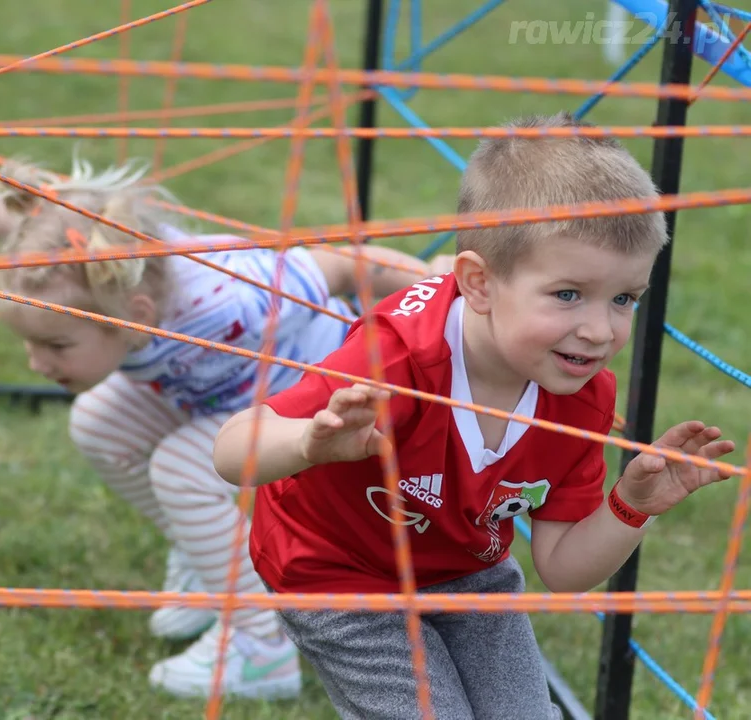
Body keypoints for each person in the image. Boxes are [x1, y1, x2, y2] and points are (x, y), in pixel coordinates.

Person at [0, 117, 454, 700]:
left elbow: (343, 263)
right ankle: (205, 556)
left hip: (308, 399)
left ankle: (262, 648)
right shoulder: (66, 266)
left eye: (55, 345)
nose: (35, 363)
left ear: (135, 315)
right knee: (97, 423)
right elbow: (2, 213)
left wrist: (438, 289)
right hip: (219, 391)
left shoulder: (233, 303)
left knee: (183, 468)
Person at [211, 111, 738, 718]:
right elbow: (232, 448)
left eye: (624, 299)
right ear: (479, 284)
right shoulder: (396, 360)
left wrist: (631, 506)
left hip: (467, 574)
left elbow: (563, 568)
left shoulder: (581, 396)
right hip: (337, 573)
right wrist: (310, 441)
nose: (599, 330)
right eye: (568, 294)